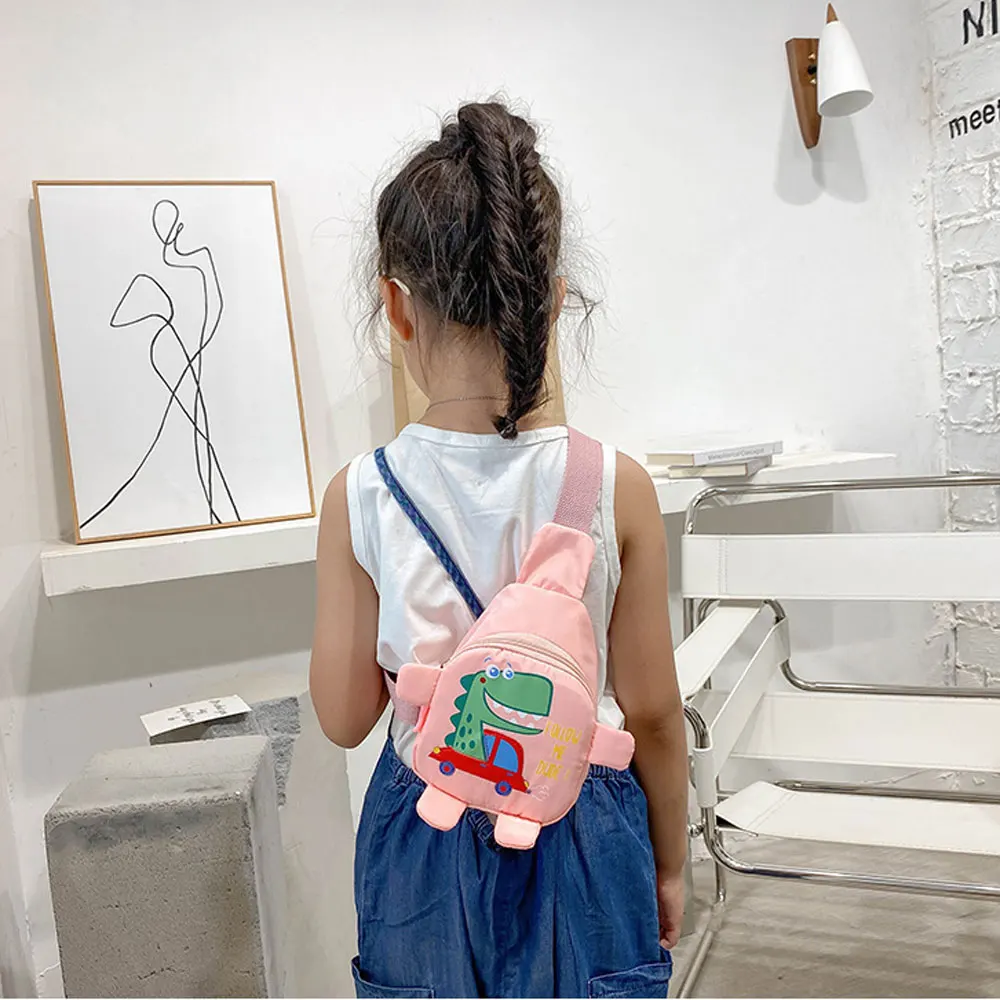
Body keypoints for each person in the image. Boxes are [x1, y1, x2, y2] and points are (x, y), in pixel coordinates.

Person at [310, 100, 688, 1000]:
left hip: (424, 831)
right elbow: (654, 717)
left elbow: (344, 717)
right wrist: (671, 864)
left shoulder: (360, 494)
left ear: (396, 308)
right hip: (583, 824)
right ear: (551, 300)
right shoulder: (615, 486)